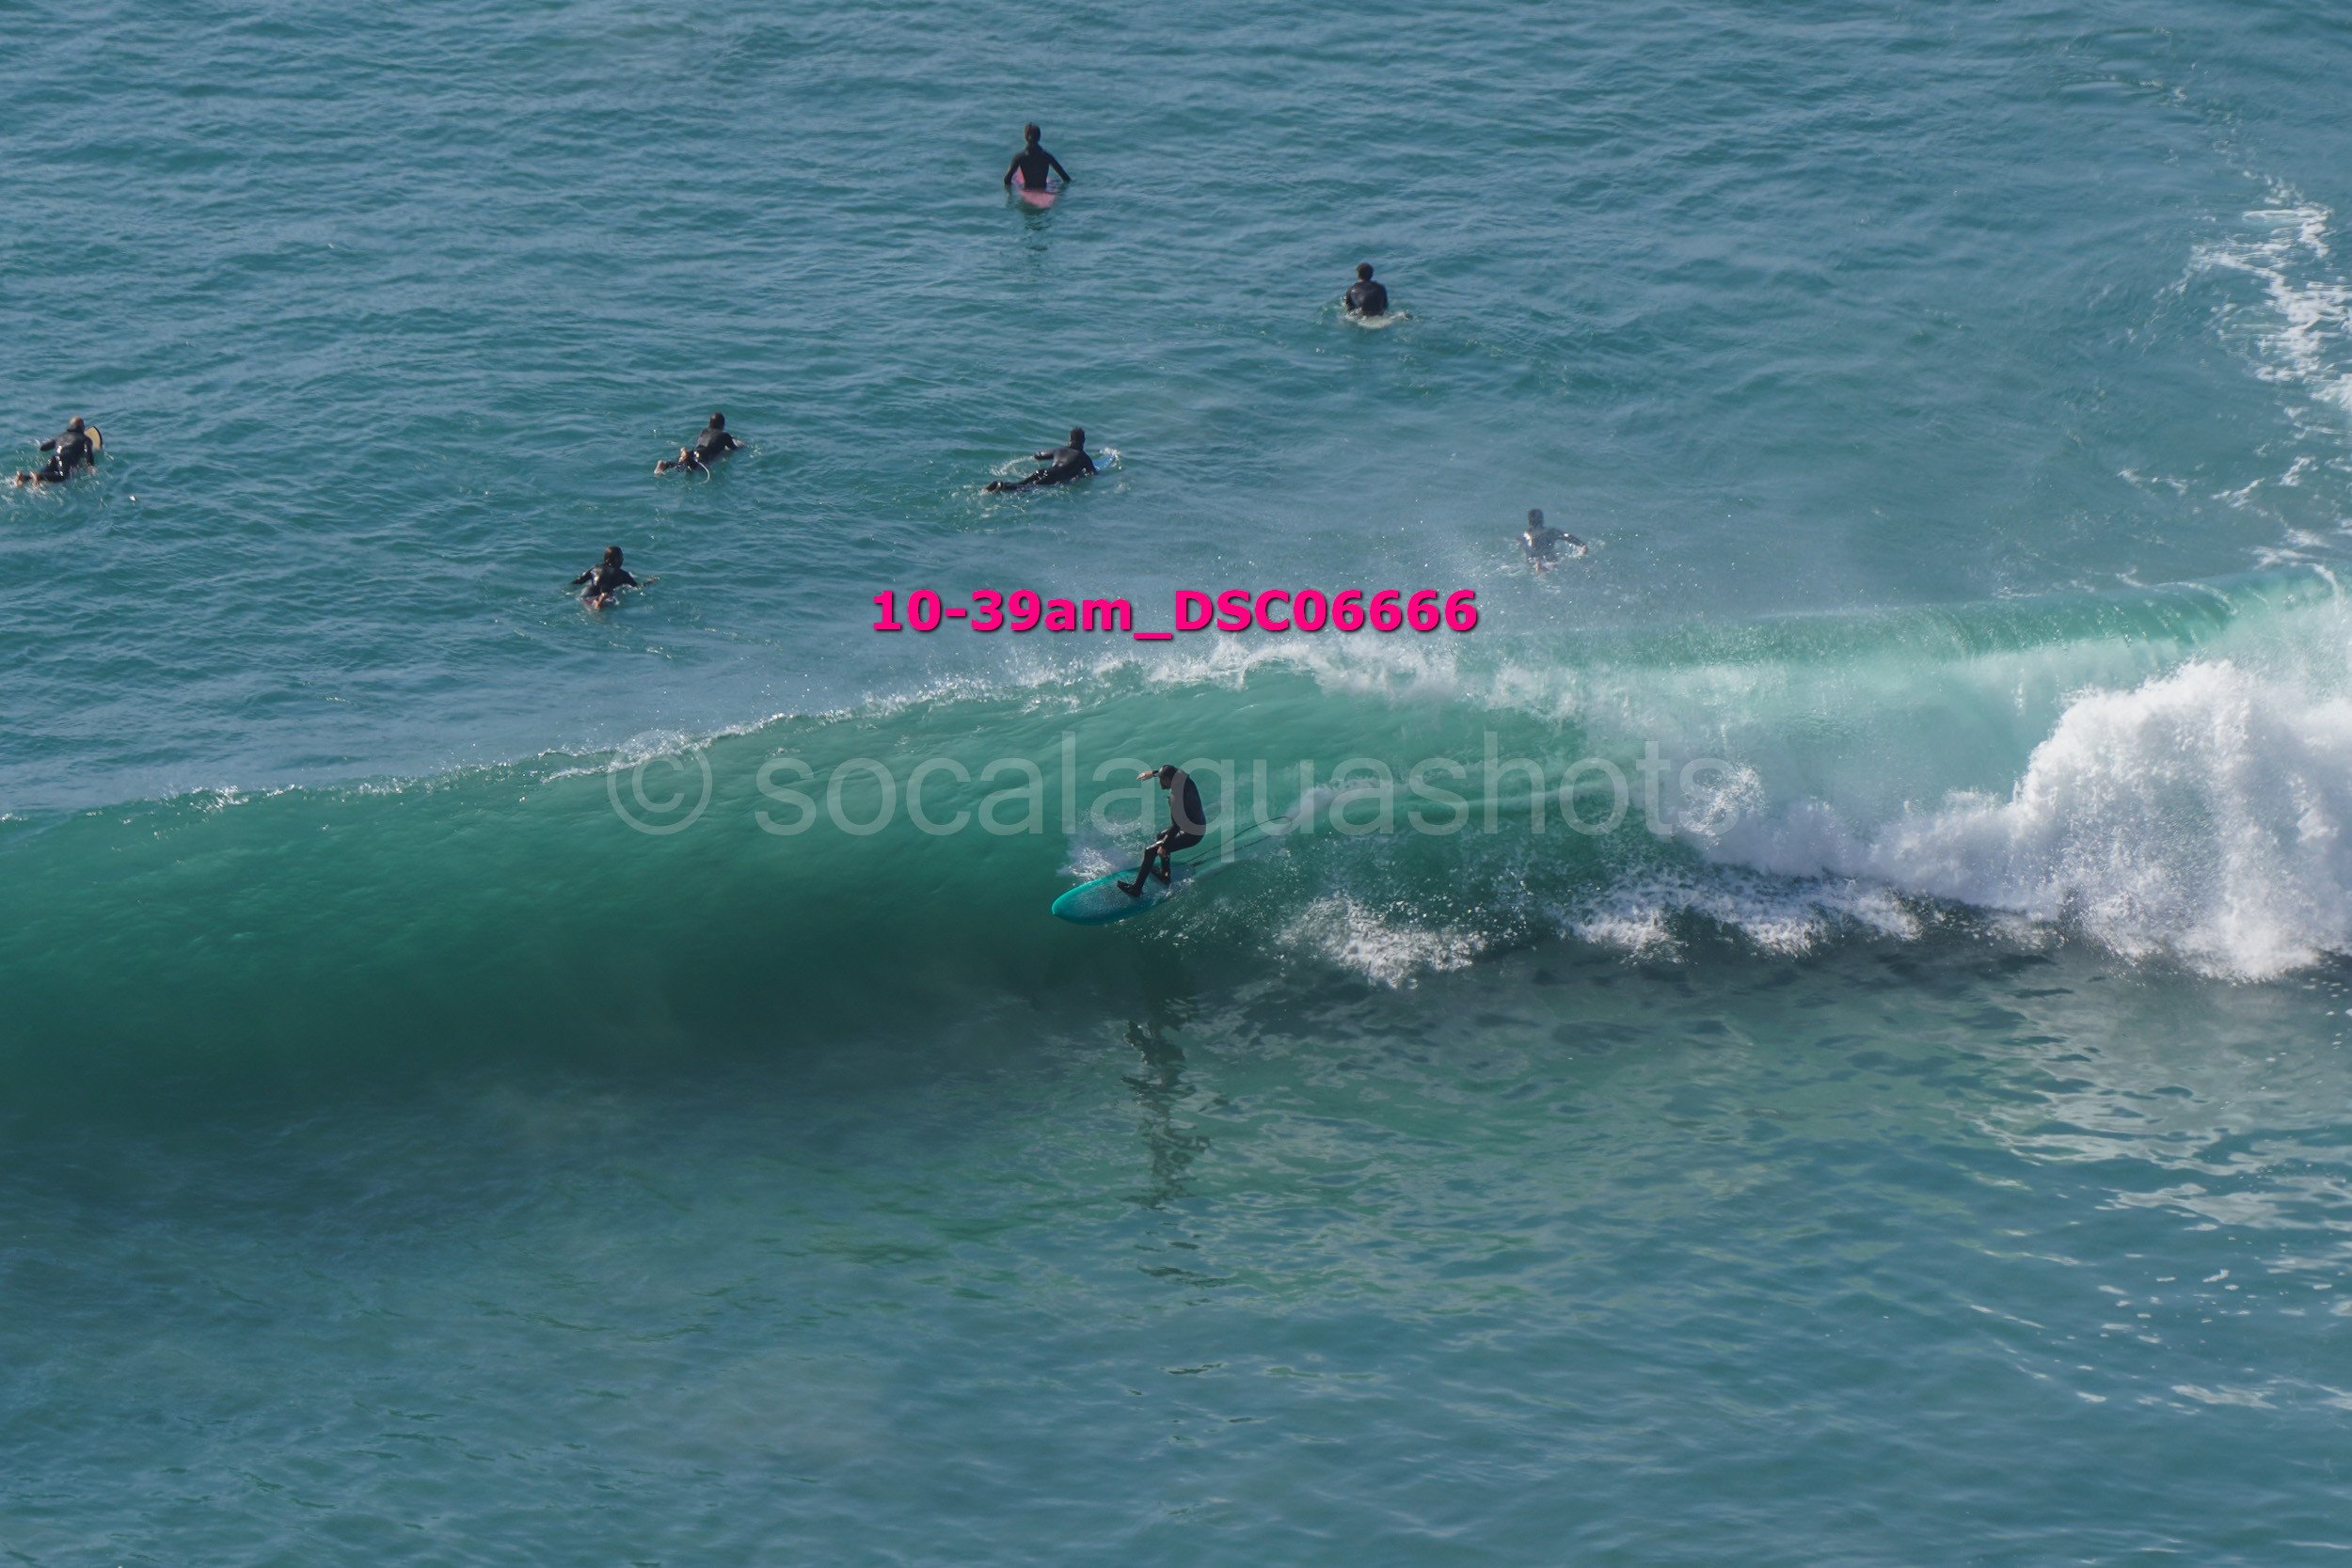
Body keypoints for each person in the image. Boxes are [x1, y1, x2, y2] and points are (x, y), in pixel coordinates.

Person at [1120, 763, 1208, 897]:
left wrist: (1164, 846)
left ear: (1168, 780)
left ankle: (1136, 889)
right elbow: (1173, 770)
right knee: (1160, 835)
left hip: (1193, 834)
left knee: (1150, 851)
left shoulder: (1176, 797)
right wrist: (1153, 773)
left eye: (1161, 779)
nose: (1159, 782)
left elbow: (1176, 827)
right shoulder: (1183, 779)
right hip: (1195, 825)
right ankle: (1165, 875)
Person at [985, 427, 1097, 492]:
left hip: (1044, 471)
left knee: (1021, 484)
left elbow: (1038, 455)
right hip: (1055, 477)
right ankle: (1001, 486)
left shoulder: (1059, 450)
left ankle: (1000, 485)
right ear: (1083, 440)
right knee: (1027, 489)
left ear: (1070, 439)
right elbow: (1092, 473)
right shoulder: (1084, 457)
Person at [656, 412, 740, 475]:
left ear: (709, 424)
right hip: (704, 455)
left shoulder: (703, 431)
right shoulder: (725, 435)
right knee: (698, 469)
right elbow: (733, 448)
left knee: (681, 466)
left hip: (695, 451)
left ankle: (666, 464)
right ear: (722, 425)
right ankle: (687, 458)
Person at [1003, 123, 1071, 195]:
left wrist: (1017, 187)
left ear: (1026, 137)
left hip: (1028, 190)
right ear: (1039, 137)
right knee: (1055, 181)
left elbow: (1007, 180)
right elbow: (1066, 178)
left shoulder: (1019, 157)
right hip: (1044, 189)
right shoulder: (1047, 156)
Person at [571, 545, 641, 609]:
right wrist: (650, 582)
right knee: (611, 595)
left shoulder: (594, 569)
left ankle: (595, 602)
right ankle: (600, 601)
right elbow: (638, 587)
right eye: (621, 557)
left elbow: (578, 581)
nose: (622, 560)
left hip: (589, 591)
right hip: (606, 594)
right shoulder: (622, 573)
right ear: (616, 560)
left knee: (584, 599)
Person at [1520, 508, 1586, 573]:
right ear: (1542, 520)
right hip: (1548, 559)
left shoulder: (1523, 536)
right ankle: (1543, 567)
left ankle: (1538, 565)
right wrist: (1582, 545)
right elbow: (1567, 536)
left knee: (1534, 559)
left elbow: (1528, 549)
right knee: (1556, 562)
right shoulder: (1550, 531)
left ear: (1529, 522)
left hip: (1531, 561)